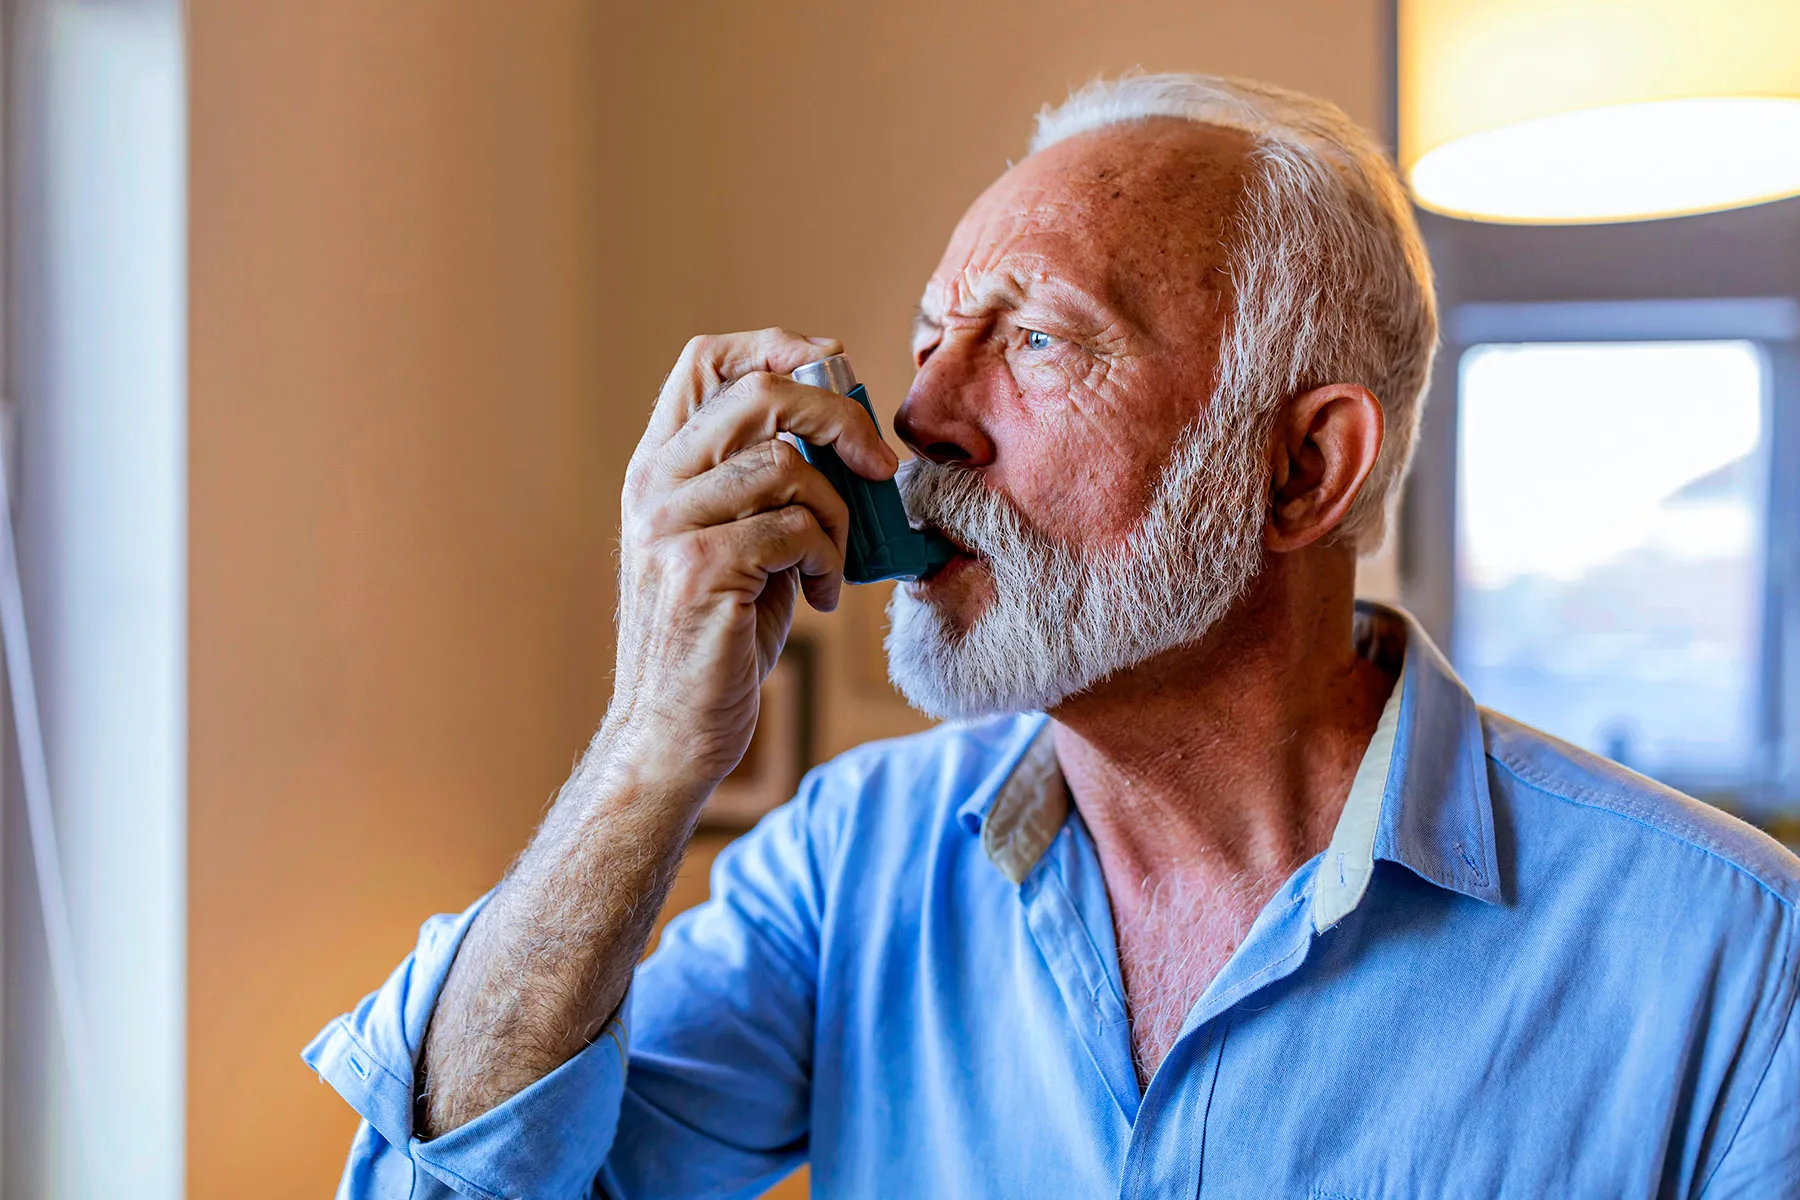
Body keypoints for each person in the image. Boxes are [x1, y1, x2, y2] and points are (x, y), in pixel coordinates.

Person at [305, 74, 1800, 1198]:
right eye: (928, 337)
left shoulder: (1737, 966)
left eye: (1033, 340)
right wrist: (647, 750)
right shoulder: (849, 872)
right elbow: (451, 1179)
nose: (924, 423)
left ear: (1301, 470)